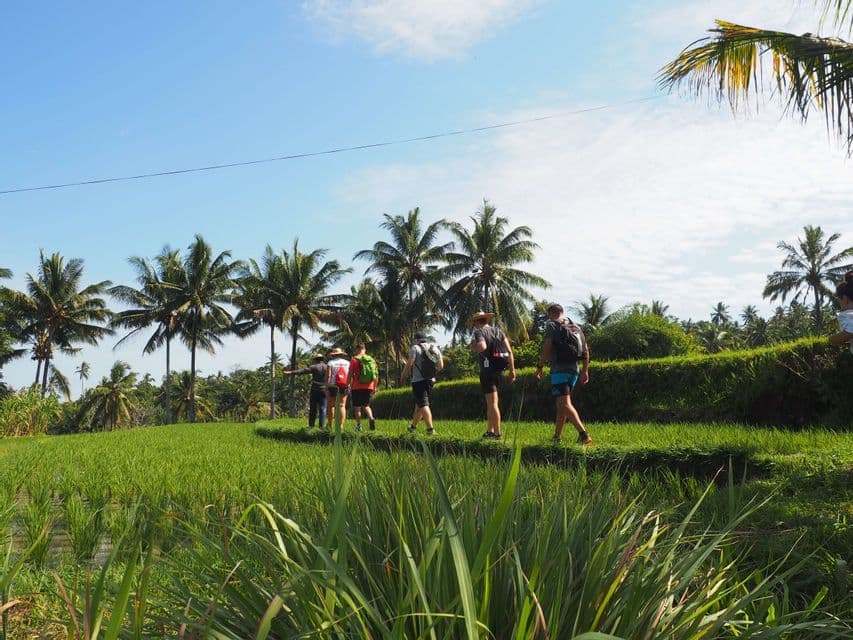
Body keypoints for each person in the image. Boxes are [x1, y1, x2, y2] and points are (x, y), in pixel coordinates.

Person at [535, 303, 592, 445]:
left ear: (550, 314)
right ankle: (557, 437)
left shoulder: (552, 325)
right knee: (561, 404)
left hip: (559, 369)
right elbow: (585, 349)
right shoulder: (576, 327)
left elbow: (547, 346)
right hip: (574, 369)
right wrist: (585, 370)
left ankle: (583, 434)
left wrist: (540, 365)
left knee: (564, 404)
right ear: (562, 311)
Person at [468, 311, 515, 440]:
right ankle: (490, 430)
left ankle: (497, 433)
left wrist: (473, 347)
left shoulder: (479, 332)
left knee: (492, 403)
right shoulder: (499, 331)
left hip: (488, 371)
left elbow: (482, 347)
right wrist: (512, 370)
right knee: (492, 403)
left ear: (477, 322)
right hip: (500, 370)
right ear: (486, 320)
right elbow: (510, 351)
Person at [400, 332, 443, 435]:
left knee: (423, 404)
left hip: (418, 381)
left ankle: (430, 429)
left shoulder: (415, 348)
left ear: (416, 339)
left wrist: (403, 376)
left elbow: (410, 363)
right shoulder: (434, 348)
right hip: (430, 380)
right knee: (419, 405)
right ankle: (413, 427)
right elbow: (441, 365)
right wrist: (432, 373)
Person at [282, 353, 328, 429]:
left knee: (313, 408)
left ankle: (311, 426)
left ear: (315, 360)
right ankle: (322, 427)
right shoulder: (327, 367)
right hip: (324, 389)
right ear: (323, 359)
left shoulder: (314, 367)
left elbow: (303, 371)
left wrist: (291, 372)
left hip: (315, 389)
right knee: (323, 409)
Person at [348, 343, 379, 432]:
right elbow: (376, 375)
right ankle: (371, 417)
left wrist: (347, 385)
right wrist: (375, 387)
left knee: (357, 407)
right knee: (366, 405)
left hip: (356, 387)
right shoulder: (371, 360)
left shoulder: (354, 359)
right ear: (364, 349)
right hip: (369, 386)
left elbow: (350, 374)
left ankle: (359, 426)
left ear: (357, 349)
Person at [325, 347, 351, 431]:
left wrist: (326, 387)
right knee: (342, 405)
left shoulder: (331, 363)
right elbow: (350, 375)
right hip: (344, 385)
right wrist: (349, 385)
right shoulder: (347, 363)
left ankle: (330, 425)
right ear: (341, 354)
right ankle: (341, 426)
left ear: (333, 355)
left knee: (331, 405)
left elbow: (328, 376)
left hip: (333, 386)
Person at [830, 271, 853, 353]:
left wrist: (832, 340)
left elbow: (851, 329)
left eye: (839, 300)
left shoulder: (847, 314)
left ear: (844, 298)